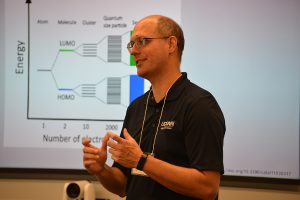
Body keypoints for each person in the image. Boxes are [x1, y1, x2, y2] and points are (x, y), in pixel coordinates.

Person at [82, 15, 225, 200]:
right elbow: (123, 186)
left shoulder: (200, 105)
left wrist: (142, 161)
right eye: (131, 44)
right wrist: (101, 170)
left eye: (142, 41)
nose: (133, 51)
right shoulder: (136, 107)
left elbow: (207, 188)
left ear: (171, 45)